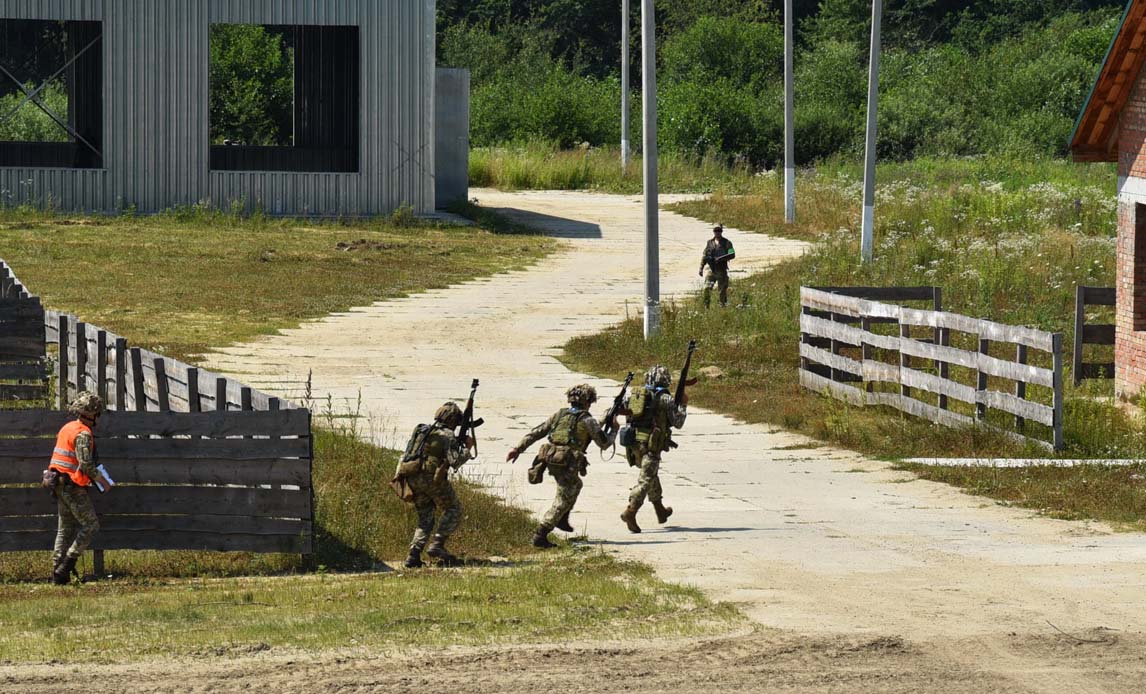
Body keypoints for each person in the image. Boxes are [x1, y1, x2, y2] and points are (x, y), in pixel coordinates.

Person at [506, 384, 617, 549]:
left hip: (551, 459)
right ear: (588, 401)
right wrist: (614, 430)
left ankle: (562, 519)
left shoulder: (559, 415)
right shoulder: (588, 420)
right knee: (563, 498)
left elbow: (537, 432)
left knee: (575, 486)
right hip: (568, 463)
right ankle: (541, 533)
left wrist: (518, 449)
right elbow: (604, 443)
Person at [397, 401, 474, 569]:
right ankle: (437, 544)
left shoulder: (422, 430)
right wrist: (468, 448)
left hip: (412, 477)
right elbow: (455, 461)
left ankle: (413, 555)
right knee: (453, 509)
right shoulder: (447, 435)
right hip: (431, 479)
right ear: (452, 420)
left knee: (425, 517)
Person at [620, 366, 687, 533]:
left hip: (633, 443)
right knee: (646, 479)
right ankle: (631, 511)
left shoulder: (635, 394)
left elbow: (626, 412)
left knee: (651, 475)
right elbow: (677, 423)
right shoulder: (664, 398)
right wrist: (683, 405)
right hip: (651, 445)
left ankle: (660, 510)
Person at [48, 391, 105, 585]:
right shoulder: (83, 433)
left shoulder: (67, 428)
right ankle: (66, 567)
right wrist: (103, 480)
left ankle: (56, 572)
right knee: (91, 525)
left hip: (58, 484)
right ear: (93, 415)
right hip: (73, 486)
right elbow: (86, 464)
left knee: (64, 528)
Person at [698, 224, 735, 308]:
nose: (717, 232)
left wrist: (721, 259)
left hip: (721, 270)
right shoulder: (709, 243)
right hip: (711, 270)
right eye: (716, 230)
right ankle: (706, 307)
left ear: (721, 231)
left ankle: (722, 308)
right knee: (707, 288)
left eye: (719, 230)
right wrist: (701, 268)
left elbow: (732, 254)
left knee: (722, 291)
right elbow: (705, 256)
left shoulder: (727, 243)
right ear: (713, 231)